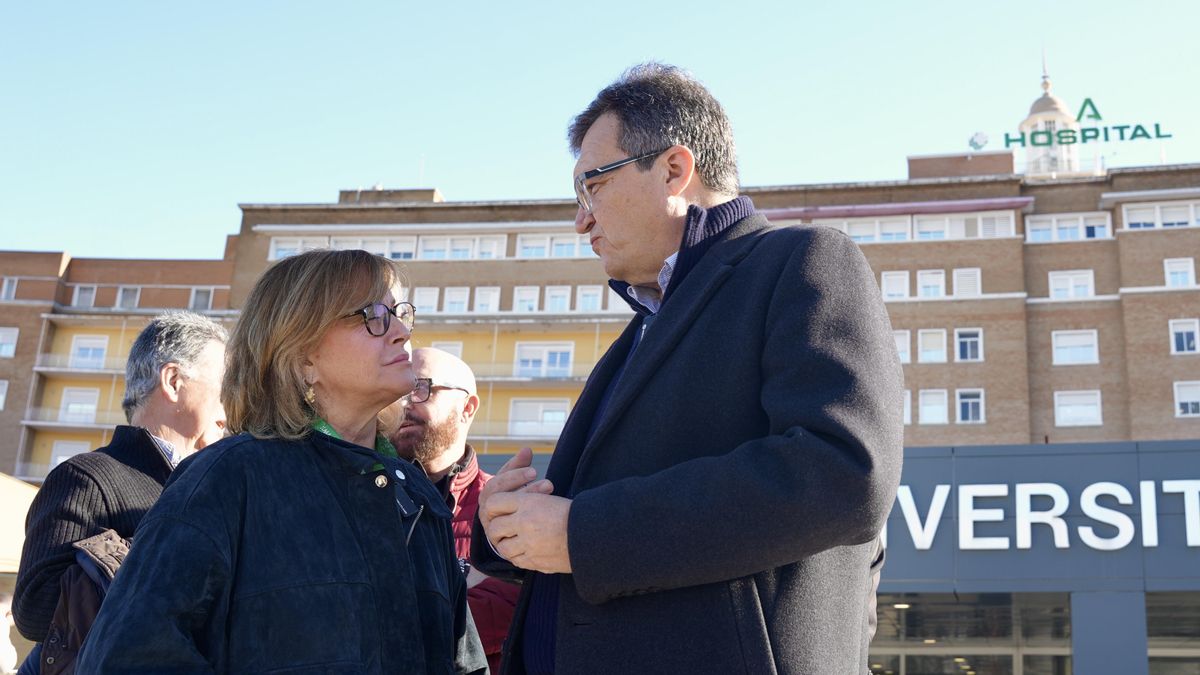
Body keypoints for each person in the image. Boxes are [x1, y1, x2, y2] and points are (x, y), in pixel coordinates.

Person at [474, 63, 904, 674]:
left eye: (590, 187)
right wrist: (515, 531)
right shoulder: (642, 329)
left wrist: (585, 534)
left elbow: (842, 473)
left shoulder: (802, 260)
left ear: (674, 170)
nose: (581, 220)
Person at [76, 249, 487, 674]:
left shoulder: (418, 497)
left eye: (402, 313)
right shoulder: (228, 478)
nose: (401, 331)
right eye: (373, 315)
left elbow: (466, 666)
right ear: (302, 354)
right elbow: (127, 656)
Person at [13, 312, 228, 673]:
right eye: (226, 383)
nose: (233, 401)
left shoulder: (212, 484)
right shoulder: (85, 476)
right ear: (173, 381)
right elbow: (36, 611)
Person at [388, 347, 520, 673]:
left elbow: (512, 610)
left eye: (420, 388)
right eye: (397, 392)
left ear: (467, 407)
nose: (404, 404)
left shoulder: (505, 505)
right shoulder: (366, 495)